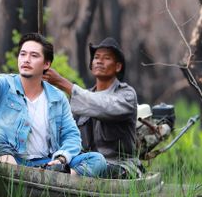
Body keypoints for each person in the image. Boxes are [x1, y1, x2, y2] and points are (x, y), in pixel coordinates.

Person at [0, 32, 106, 177]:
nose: (26, 59)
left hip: (47, 165)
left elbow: (71, 135)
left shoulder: (58, 98)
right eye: (23, 54)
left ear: (46, 64)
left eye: (34, 55)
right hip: (14, 161)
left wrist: (60, 160)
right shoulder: (4, 86)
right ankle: (15, 181)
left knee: (97, 160)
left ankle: (58, 178)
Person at [43, 37, 139, 178]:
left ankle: (70, 176)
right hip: (86, 162)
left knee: (103, 168)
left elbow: (103, 106)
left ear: (118, 66)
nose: (99, 61)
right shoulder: (83, 97)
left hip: (120, 165)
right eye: (96, 57)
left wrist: (61, 82)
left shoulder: (127, 95)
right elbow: (68, 134)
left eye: (106, 58)